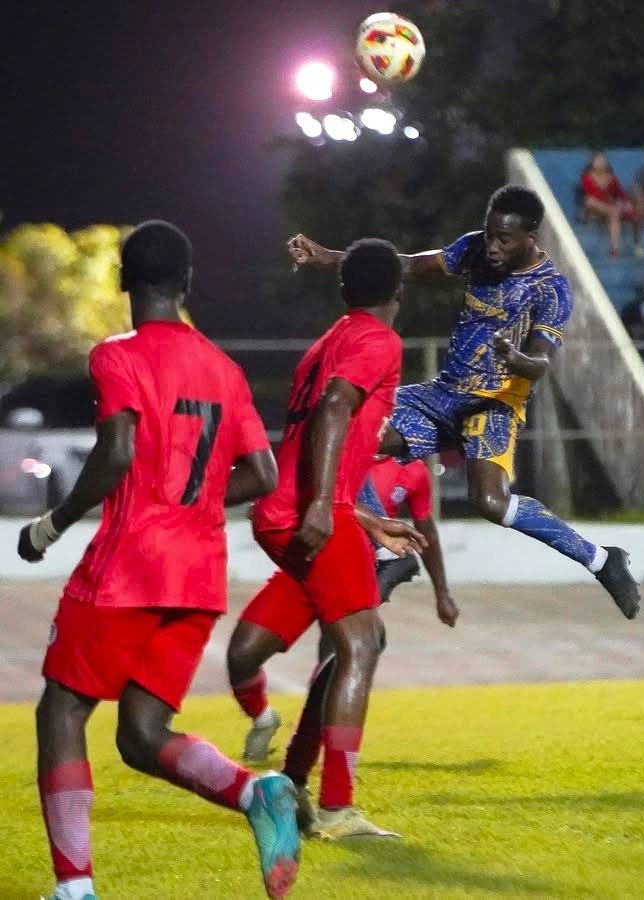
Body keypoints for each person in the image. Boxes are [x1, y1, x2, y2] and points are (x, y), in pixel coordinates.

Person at [17, 221, 300, 900]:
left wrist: (52, 524)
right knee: (142, 736)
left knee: (60, 711)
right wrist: (195, 503)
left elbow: (114, 455)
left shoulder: (118, 355)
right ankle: (254, 791)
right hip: (197, 576)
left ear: (122, 280)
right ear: (187, 283)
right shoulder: (224, 370)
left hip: (129, 567)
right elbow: (262, 473)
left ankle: (75, 887)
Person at [288, 184, 641, 621]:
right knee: (345, 430)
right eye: (489, 234)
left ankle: (603, 560)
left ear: (531, 237)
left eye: (503, 240)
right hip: (443, 393)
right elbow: (409, 267)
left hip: (492, 405)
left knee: (490, 503)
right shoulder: (474, 249)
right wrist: (328, 258)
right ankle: (387, 556)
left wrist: (518, 359)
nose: (492, 246)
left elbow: (541, 362)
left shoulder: (550, 290)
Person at [226, 238, 426, 841]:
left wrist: (362, 519)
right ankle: (338, 808)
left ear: (344, 290)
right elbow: (336, 408)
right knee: (364, 643)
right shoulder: (378, 340)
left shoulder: (328, 340)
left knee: (342, 645)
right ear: (398, 290)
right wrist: (324, 508)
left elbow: (321, 435)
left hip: (293, 512)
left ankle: (291, 783)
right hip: (308, 515)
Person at [240, 455, 458, 764]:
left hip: (373, 563)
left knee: (341, 650)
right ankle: (264, 721)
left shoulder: (413, 471)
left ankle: (320, 764)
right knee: (242, 657)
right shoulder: (339, 446)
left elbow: (427, 532)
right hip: (311, 561)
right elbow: (313, 491)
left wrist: (443, 592)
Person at [579, 151, 637, 256]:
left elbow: (622, 194)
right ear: (592, 163)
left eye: (602, 160)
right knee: (590, 201)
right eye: (598, 160)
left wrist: (625, 203)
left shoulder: (611, 178)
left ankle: (614, 249)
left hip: (609, 207)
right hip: (593, 208)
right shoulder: (586, 177)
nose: (600, 162)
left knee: (615, 214)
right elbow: (587, 194)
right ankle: (612, 210)